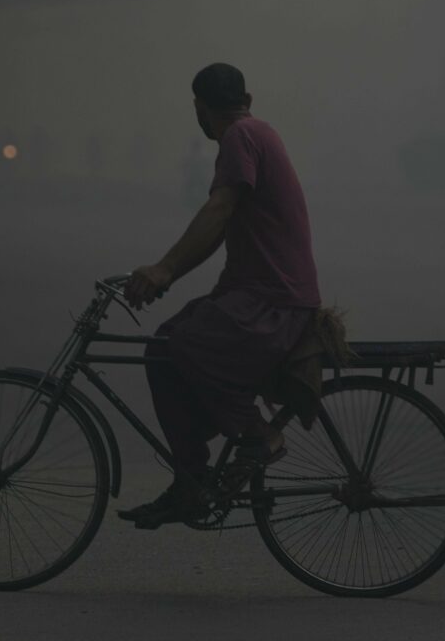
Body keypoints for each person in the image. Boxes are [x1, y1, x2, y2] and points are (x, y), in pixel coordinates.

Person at [118, 63, 322, 529]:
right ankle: (190, 480)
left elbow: (219, 208)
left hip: (275, 301)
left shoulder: (239, 137)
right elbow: (220, 224)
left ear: (199, 109)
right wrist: (166, 274)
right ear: (247, 96)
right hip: (261, 296)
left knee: (185, 344)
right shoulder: (256, 132)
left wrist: (164, 268)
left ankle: (261, 434)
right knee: (163, 352)